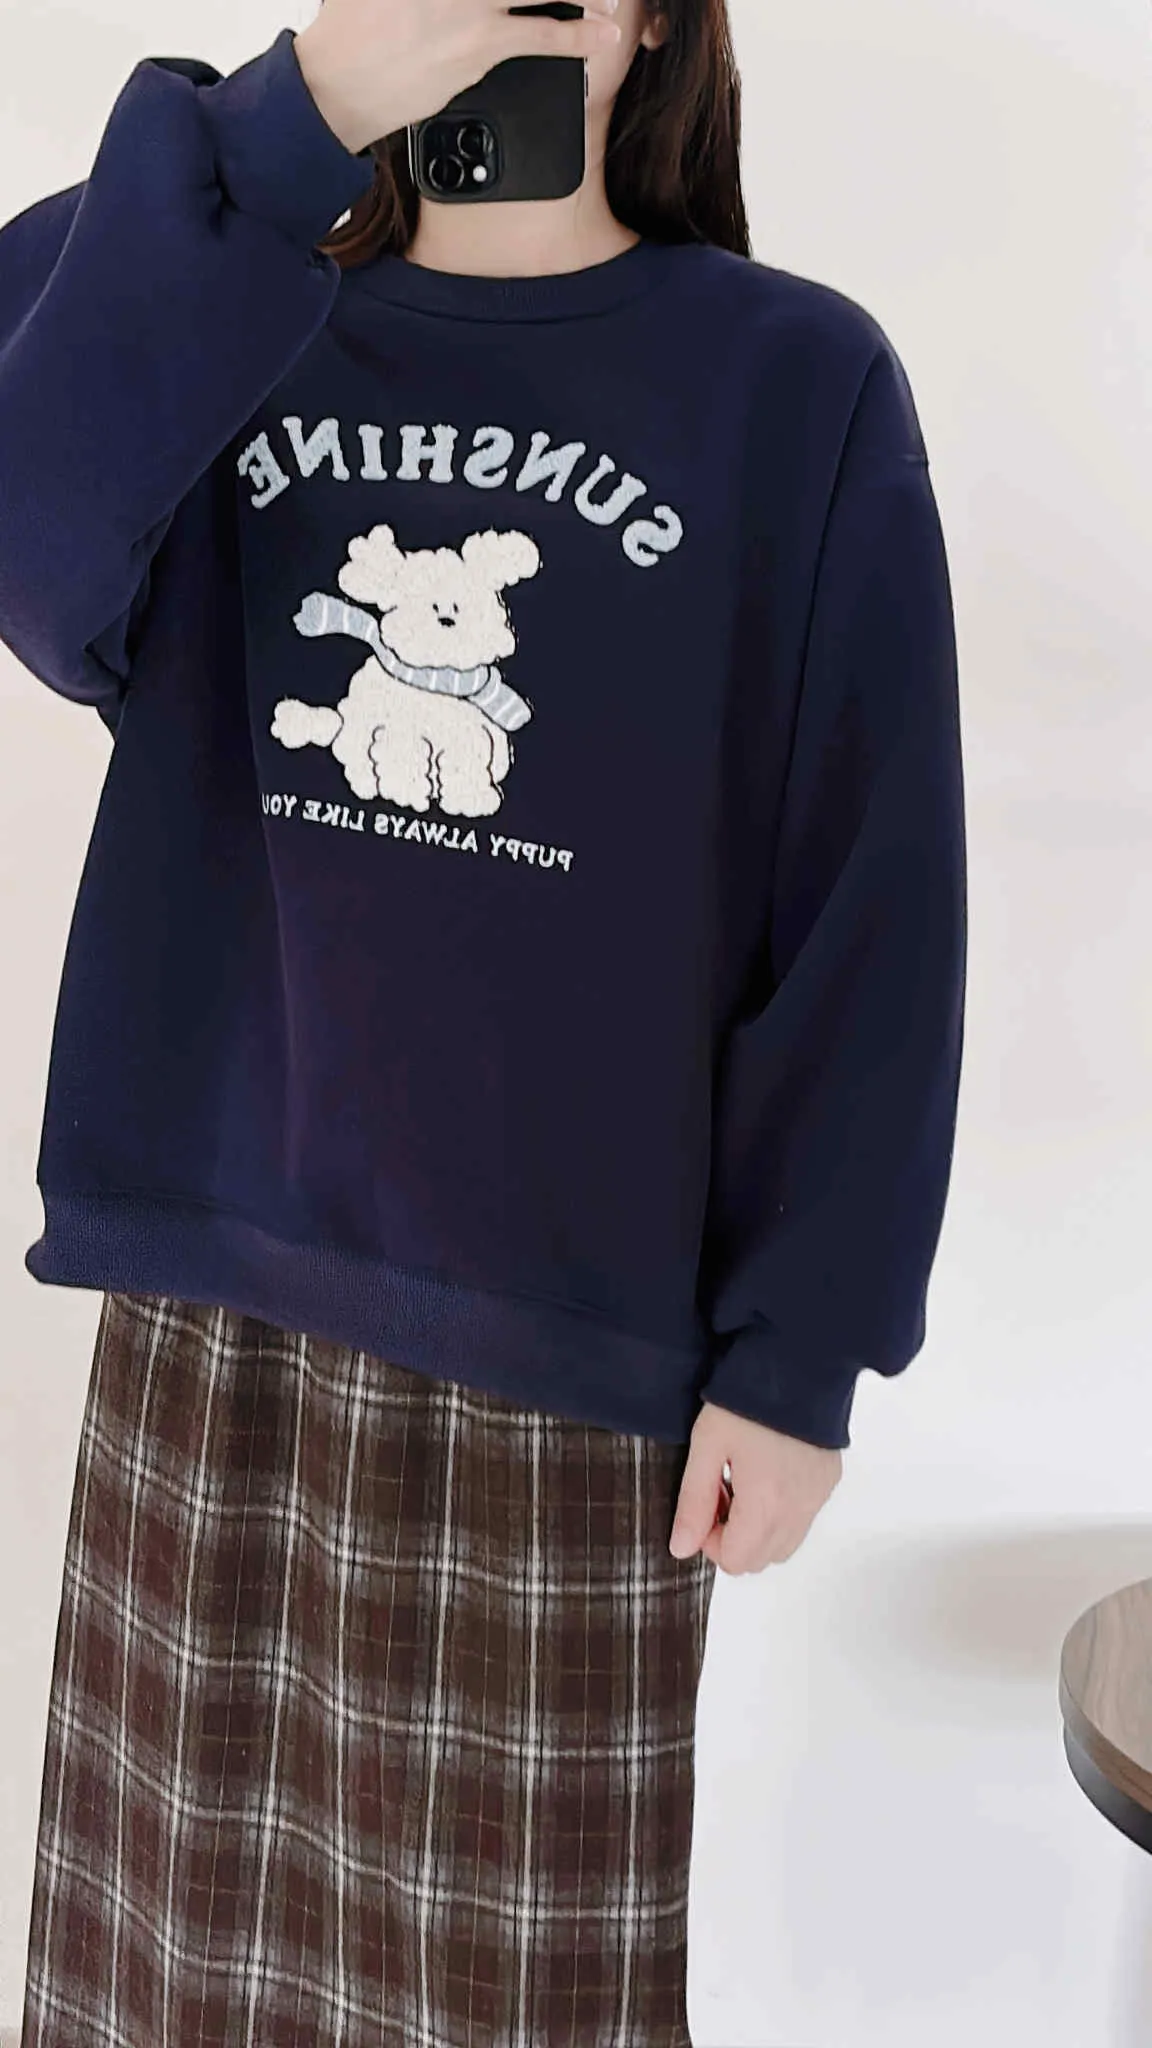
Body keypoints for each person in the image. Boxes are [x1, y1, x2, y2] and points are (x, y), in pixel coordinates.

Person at [1, 1, 966, 2042]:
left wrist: (803, 1349)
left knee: (523, 2001)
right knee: (155, 1986)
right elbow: (30, 541)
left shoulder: (792, 383)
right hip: (214, 1297)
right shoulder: (215, 294)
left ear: (653, 20)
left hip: (570, 1342)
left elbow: (870, 895)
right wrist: (297, 118)